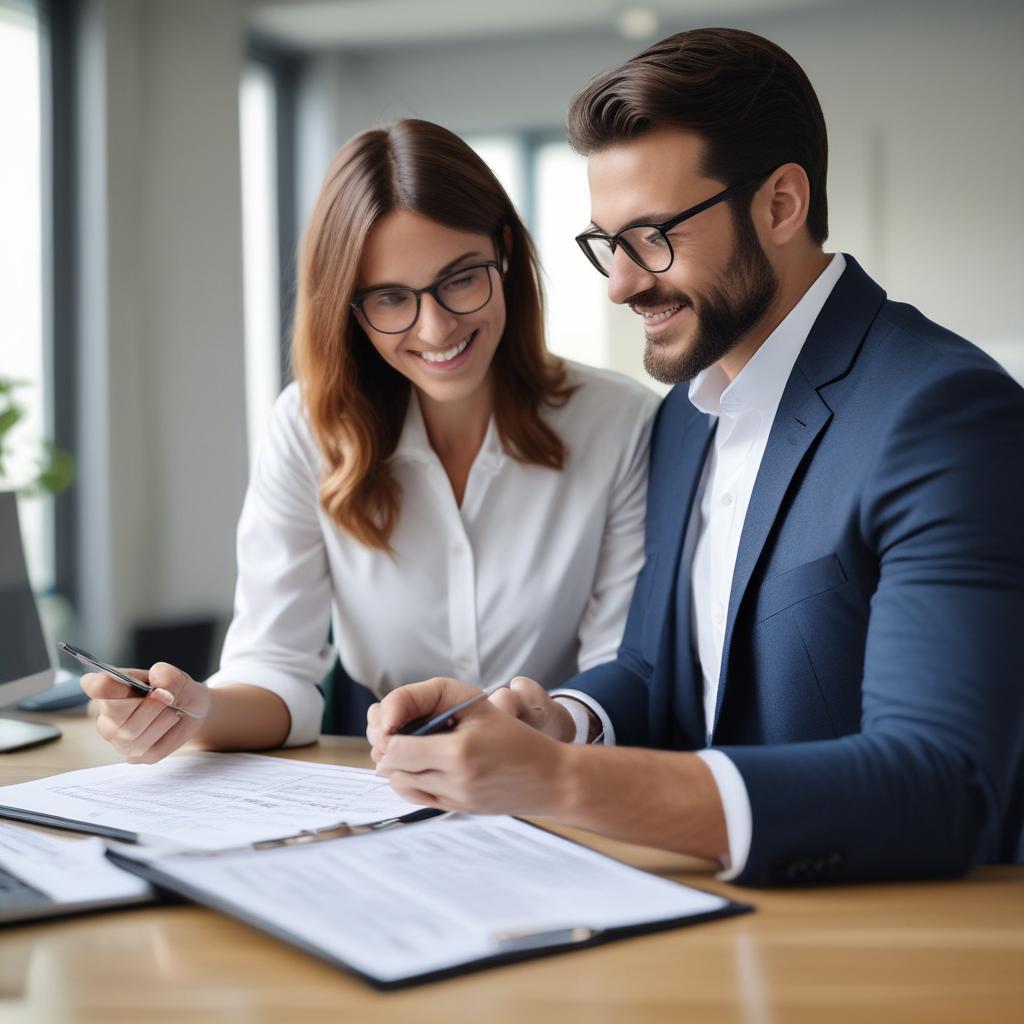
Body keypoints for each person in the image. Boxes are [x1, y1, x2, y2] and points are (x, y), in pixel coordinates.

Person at [370, 29, 1024, 886]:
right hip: (707, 909)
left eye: (652, 236)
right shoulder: (685, 414)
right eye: (608, 243)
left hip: (885, 930)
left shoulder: (944, 413)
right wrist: (555, 721)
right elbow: (659, 668)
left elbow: (940, 781)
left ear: (781, 205)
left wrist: (561, 781)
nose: (620, 283)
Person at [81, 119, 659, 762]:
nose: (435, 328)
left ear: (503, 252)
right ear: (349, 307)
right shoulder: (308, 427)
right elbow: (276, 664)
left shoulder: (620, 423)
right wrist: (192, 710)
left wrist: (552, 723)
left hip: (557, 774)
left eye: (460, 278)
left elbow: (626, 666)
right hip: (381, 779)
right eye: (389, 298)